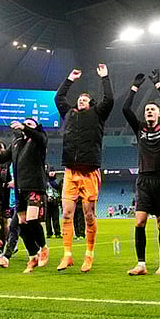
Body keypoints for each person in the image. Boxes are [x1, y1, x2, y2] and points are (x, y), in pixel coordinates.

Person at [54, 64, 114, 272]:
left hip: (89, 172)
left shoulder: (98, 114)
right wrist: (69, 79)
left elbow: (110, 100)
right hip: (71, 171)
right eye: (79, 98)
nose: (81, 100)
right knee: (67, 215)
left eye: (85, 99)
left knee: (89, 215)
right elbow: (58, 99)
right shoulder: (69, 114)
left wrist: (104, 77)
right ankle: (67, 255)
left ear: (91, 103)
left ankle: (89, 254)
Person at [122, 69, 160, 276]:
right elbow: (126, 108)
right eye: (147, 110)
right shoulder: (139, 129)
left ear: (159, 114)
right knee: (140, 221)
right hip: (144, 181)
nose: (149, 112)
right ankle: (141, 264)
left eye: (153, 109)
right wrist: (134, 88)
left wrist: (158, 85)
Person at [0, 118, 49, 271]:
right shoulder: (17, 143)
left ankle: (44, 248)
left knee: (32, 219)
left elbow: (39, 136)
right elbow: (2, 157)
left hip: (35, 186)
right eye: (25, 124)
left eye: (30, 124)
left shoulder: (39, 139)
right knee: (22, 224)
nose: (26, 127)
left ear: (35, 127)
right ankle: (33, 256)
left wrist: (24, 127)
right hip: (20, 189)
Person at [45, 170, 62, 238]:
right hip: (47, 202)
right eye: (50, 171)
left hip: (55, 202)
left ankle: (57, 233)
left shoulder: (57, 181)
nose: (52, 172)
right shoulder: (45, 181)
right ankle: (49, 233)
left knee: (56, 219)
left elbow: (60, 191)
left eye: (53, 171)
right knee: (47, 219)